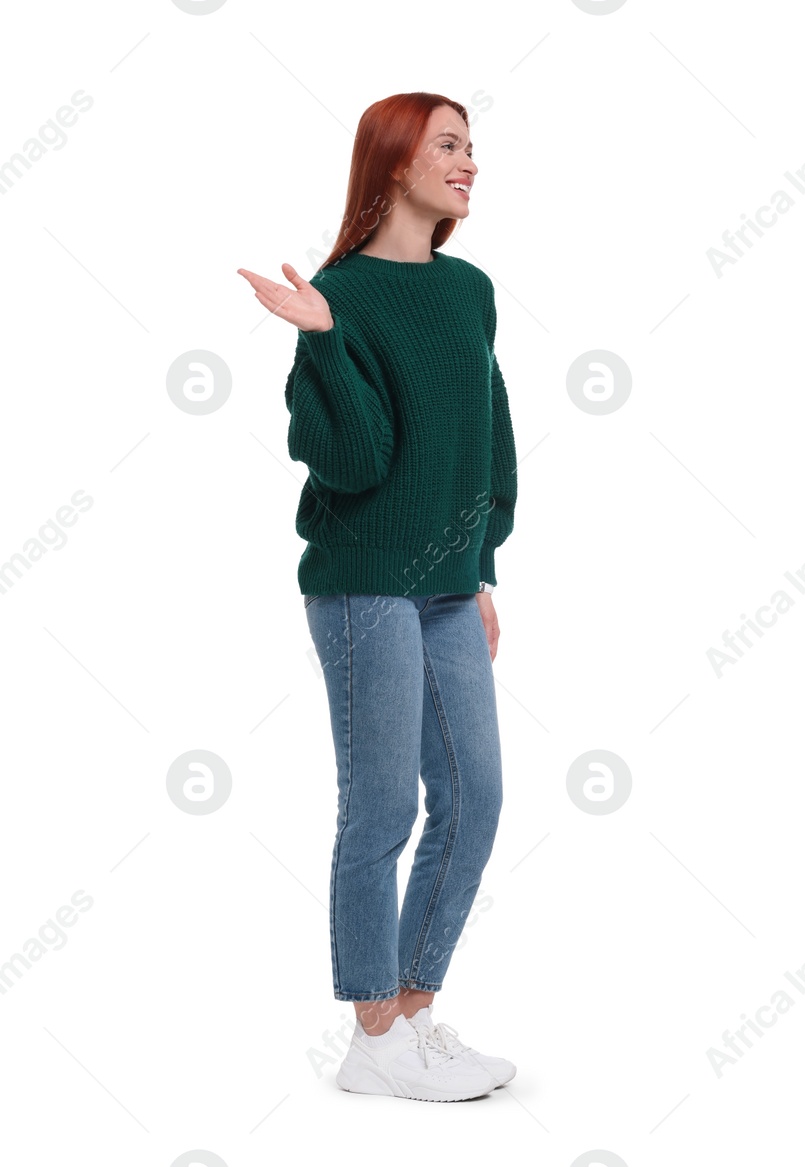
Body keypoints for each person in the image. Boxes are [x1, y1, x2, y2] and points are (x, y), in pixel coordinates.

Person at [237, 92, 520, 1103]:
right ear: (394, 164)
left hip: (446, 586)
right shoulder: (340, 293)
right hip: (363, 583)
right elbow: (353, 463)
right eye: (449, 145)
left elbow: (487, 427)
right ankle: (369, 1033)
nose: (469, 163)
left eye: (471, 147)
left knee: (476, 797)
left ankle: (411, 1016)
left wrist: (478, 563)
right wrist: (320, 336)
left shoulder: (471, 288)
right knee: (383, 808)